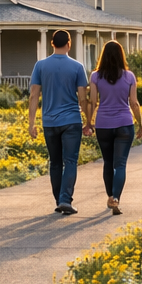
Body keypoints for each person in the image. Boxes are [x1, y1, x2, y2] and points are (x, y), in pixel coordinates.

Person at [28, 29, 91, 215]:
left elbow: (33, 95)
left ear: (52, 44)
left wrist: (31, 124)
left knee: (55, 162)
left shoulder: (40, 66)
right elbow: (82, 98)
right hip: (72, 120)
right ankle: (65, 199)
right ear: (69, 44)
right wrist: (88, 122)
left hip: (49, 122)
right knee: (70, 161)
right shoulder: (77, 67)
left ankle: (59, 200)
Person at [90, 40, 142, 215]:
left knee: (108, 162)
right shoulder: (129, 77)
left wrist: (89, 122)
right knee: (120, 164)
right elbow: (134, 103)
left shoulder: (95, 77)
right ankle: (115, 199)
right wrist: (141, 125)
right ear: (121, 55)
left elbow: (92, 101)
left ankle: (110, 197)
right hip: (124, 124)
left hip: (103, 125)